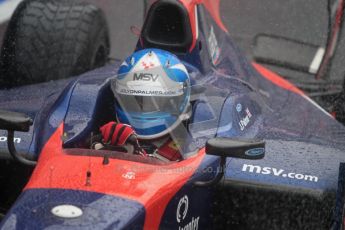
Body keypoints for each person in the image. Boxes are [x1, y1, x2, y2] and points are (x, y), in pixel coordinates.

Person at [94, 48, 192, 162]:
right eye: (135, 101)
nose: (144, 109)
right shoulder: (109, 134)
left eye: (156, 101)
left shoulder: (189, 146)